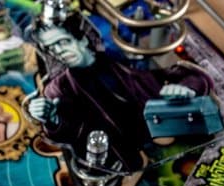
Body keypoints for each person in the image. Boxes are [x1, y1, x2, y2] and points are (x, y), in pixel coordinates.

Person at [23, 13, 210, 172]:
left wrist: (186, 89)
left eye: (63, 42)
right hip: (131, 164)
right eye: (50, 48)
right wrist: (51, 119)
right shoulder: (58, 88)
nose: (58, 51)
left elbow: (193, 75)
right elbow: (68, 134)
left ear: (82, 38)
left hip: (182, 139)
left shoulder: (126, 58)